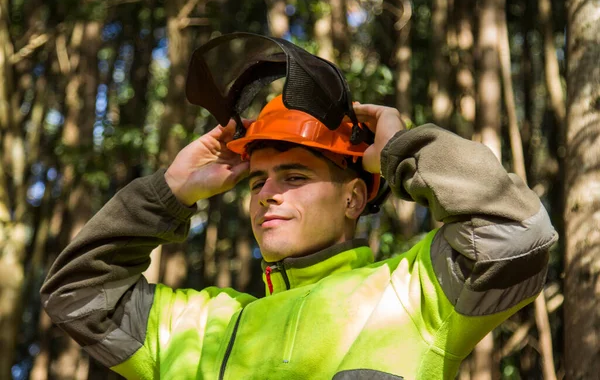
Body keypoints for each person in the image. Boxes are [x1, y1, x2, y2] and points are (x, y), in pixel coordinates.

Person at [41, 94, 557, 380]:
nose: (267, 194)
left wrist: (402, 149)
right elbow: (77, 293)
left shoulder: (412, 290)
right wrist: (169, 190)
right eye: (257, 180)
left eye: (295, 177)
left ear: (354, 198)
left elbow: (516, 233)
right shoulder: (198, 323)